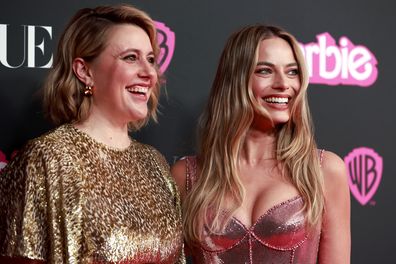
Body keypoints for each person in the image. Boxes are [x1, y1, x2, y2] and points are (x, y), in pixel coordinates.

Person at [0, 5, 185, 264]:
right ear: (85, 71)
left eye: (151, 59)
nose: (149, 73)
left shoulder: (155, 163)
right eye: (131, 57)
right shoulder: (47, 159)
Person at [172, 24, 350, 263]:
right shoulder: (187, 176)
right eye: (265, 71)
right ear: (235, 80)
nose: (283, 84)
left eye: (292, 72)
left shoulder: (324, 170)